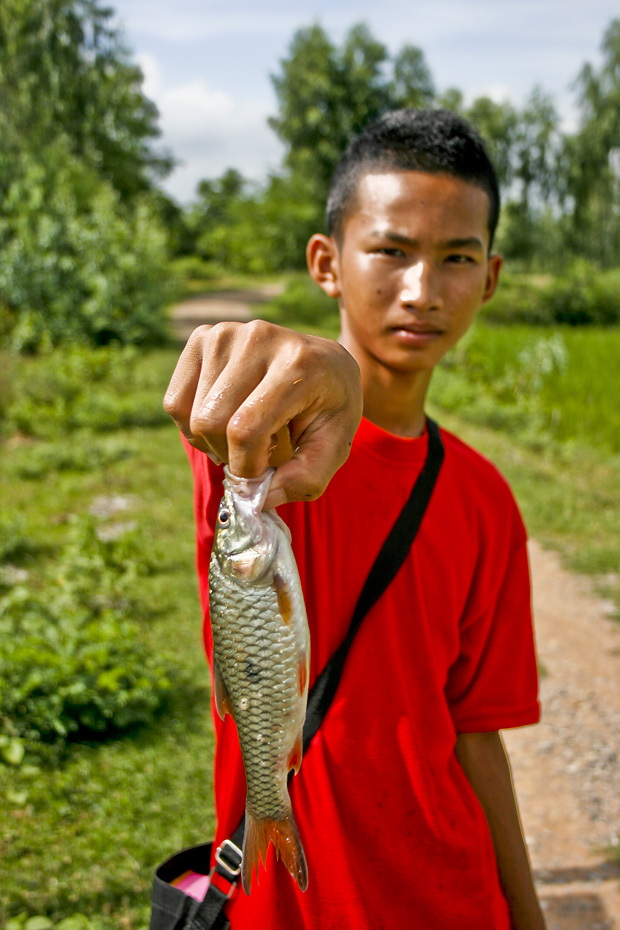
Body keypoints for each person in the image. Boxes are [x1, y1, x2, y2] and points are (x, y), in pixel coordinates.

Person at [163, 108, 546, 930]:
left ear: (491, 278)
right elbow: (250, 367)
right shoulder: (267, 443)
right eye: (391, 251)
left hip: (456, 902)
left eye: (456, 259)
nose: (421, 289)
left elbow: (479, 738)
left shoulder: (486, 500)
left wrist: (528, 915)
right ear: (326, 263)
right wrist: (331, 367)